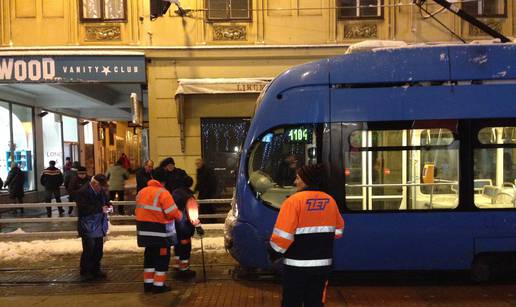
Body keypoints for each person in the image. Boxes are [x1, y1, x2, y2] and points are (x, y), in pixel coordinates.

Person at [270, 164, 345, 307]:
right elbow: (339, 231)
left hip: (296, 267)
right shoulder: (330, 201)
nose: (295, 182)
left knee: (292, 302)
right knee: (315, 302)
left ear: (306, 180)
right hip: (322, 266)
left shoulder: (293, 202)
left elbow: (282, 238)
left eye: (298, 178)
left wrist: (273, 252)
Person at [135, 168, 184, 293]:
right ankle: (159, 285)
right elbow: (171, 212)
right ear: (163, 181)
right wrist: (181, 216)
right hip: (160, 233)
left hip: (144, 233)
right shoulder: (163, 193)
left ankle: (148, 284)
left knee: (149, 258)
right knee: (162, 259)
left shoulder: (141, 192)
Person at [76, 174, 112, 282]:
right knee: (89, 249)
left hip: (99, 224)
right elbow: (83, 209)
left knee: (98, 249)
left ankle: (96, 269)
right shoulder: (83, 192)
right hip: (87, 225)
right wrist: (100, 209)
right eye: (100, 186)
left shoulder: (101, 191)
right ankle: (86, 270)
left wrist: (109, 206)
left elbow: (106, 201)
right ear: (94, 183)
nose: (102, 188)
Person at [172, 176, 204, 280]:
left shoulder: (174, 194)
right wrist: (198, 227)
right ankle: (184, 270)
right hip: (184, 227)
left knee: (177, 247)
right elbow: (193, 214)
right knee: (185, 249)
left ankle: (177, 266)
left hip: (174, 226)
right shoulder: (189, 197)